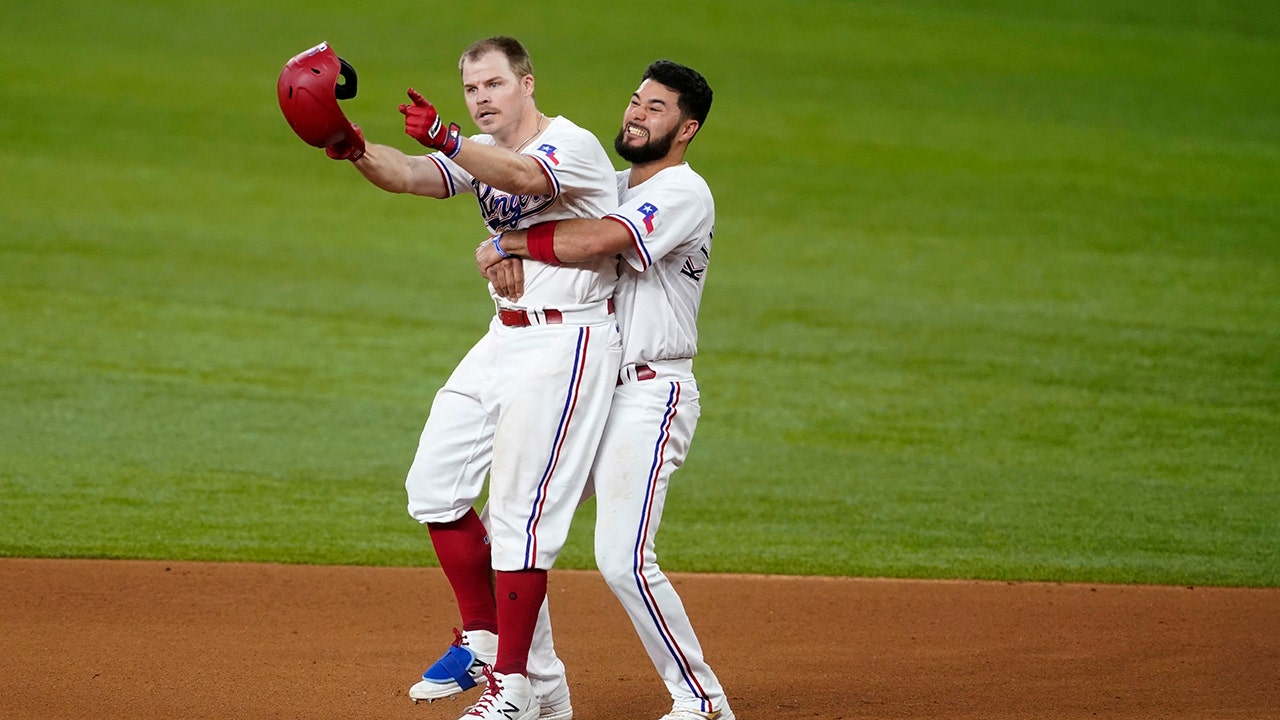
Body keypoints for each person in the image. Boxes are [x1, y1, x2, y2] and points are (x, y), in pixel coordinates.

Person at [323, 36, 620, 720]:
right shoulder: (476, 156)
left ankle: (513, 688)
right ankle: (484, 637)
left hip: (566, 341)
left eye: (493, 84)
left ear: (526, 84)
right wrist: (353, 146)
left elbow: (523, 179)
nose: (482, 97)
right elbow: (405, 174)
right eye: (471, 89)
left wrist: (451, 138)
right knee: (433, 485)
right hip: (503, 339)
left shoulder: (568, 144)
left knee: (518, 519)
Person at [476, 60, 734, 720]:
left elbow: (597, 239)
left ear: (687, 128)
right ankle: (535, 688)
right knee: (516, 532)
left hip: (649, 393)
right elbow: (551, 226)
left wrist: (507, 242)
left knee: (621, 558)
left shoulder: (681, 192)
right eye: (635, 101)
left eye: (656, 107)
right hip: (584, 383)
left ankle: (702, 702)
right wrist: (502, 249)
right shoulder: (609, 184)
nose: (637, 114)